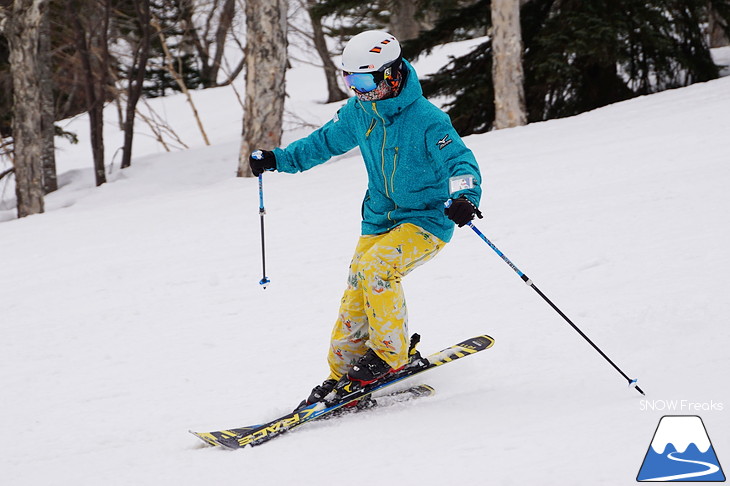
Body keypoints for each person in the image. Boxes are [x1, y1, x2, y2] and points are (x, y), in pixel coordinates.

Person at [249, 30, 483, 407]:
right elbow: (323, 143)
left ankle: (391, 358)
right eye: (349, 79)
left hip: (425, 222)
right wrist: (278, 159)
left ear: (391, 75)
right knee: (358, 289)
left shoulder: (427, 119)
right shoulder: (361, 112)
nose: (355, 88)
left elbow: (460, 161)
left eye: (363, 79)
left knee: (377, 269)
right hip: (378, 220)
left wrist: (465, 197)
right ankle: (343, 372)